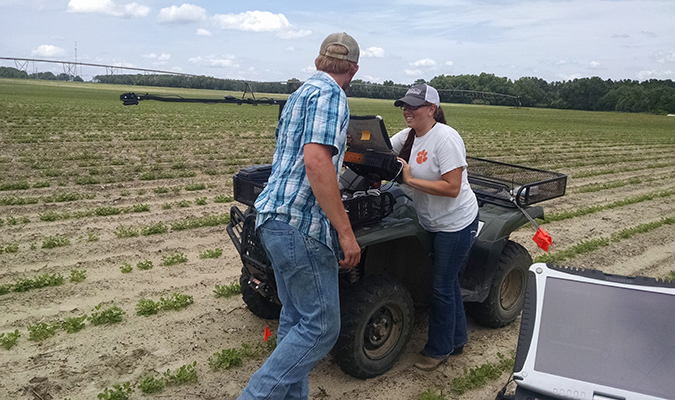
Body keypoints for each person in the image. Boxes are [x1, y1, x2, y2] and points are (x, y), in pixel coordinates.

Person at [237, 32, 361, 400]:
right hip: (300, 223)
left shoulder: (301, 94)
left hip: (273, 218)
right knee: (322, 329)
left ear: (319, 61)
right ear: (353, 69)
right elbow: (316, 160)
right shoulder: (331, 95)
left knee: (295, 323)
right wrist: (345, 232)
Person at [389, 84, 479, 371]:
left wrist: (409, 180)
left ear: (432, 109)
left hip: (455, 224)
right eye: (404, 105)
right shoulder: (407, 137)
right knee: (448, 283)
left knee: (440, 287)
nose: (407, 110)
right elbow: (378, 151)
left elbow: (452, 188)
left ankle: (439, 349)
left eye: (414, 105)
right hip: (430, 221)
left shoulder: (446, 138)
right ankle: (458, 339)